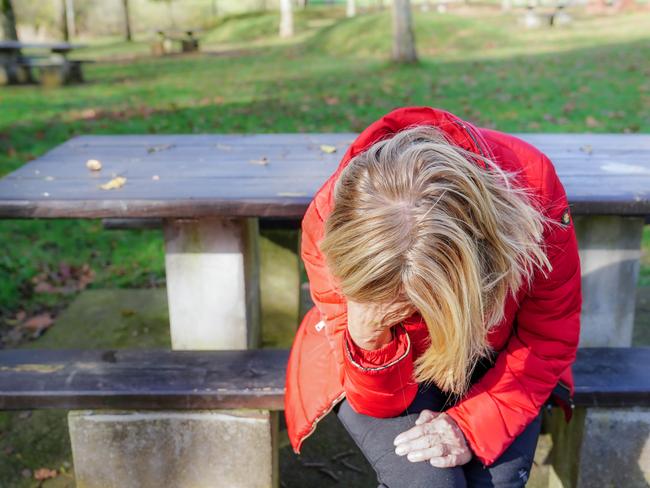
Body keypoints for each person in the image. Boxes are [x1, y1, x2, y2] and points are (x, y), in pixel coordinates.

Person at [284, 106, 582, 487]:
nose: (414, 310)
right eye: (402, 302)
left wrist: (471, 428)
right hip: (379, 362)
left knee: (497, 480)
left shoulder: (532, 189)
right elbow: (379, 401)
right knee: (427, 482)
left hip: (497, 353)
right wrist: (368, 334)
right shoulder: (330, 220)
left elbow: (548, 337)